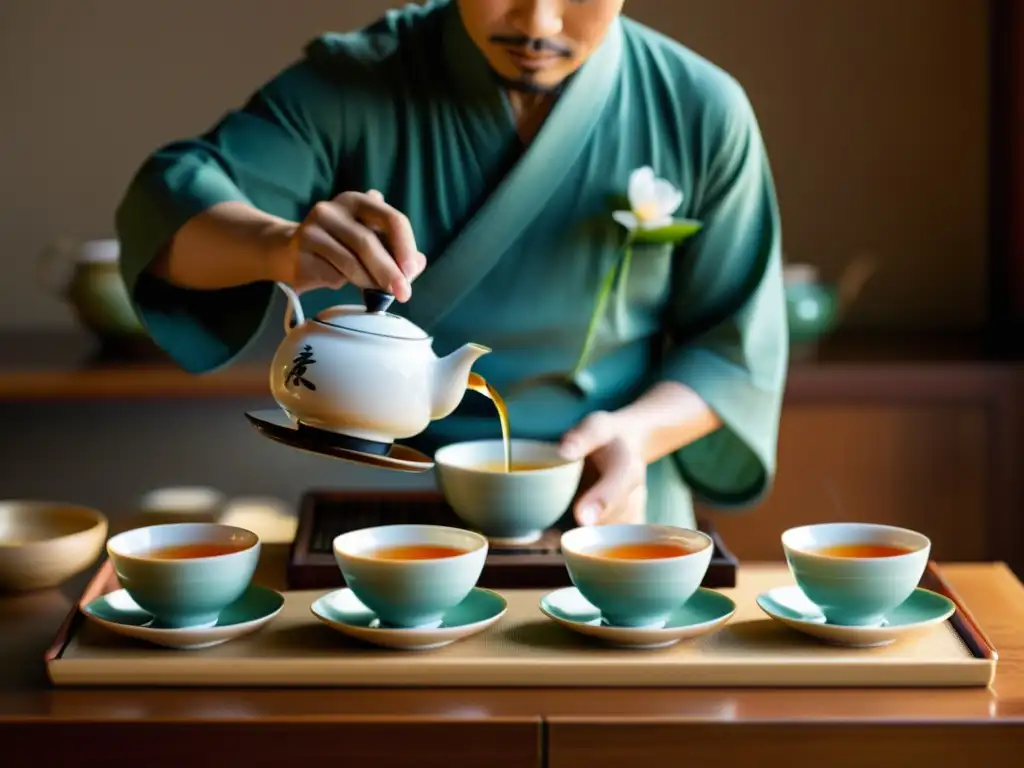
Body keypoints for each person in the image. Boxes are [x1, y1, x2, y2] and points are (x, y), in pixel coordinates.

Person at [115, 0, 788, 529]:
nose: (539, 22)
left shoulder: (699, 108)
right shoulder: (361, 78)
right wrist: (277, 244)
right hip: (376, 488)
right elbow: (171, 203)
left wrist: (635, 434)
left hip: (599, 491)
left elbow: (732, 353)